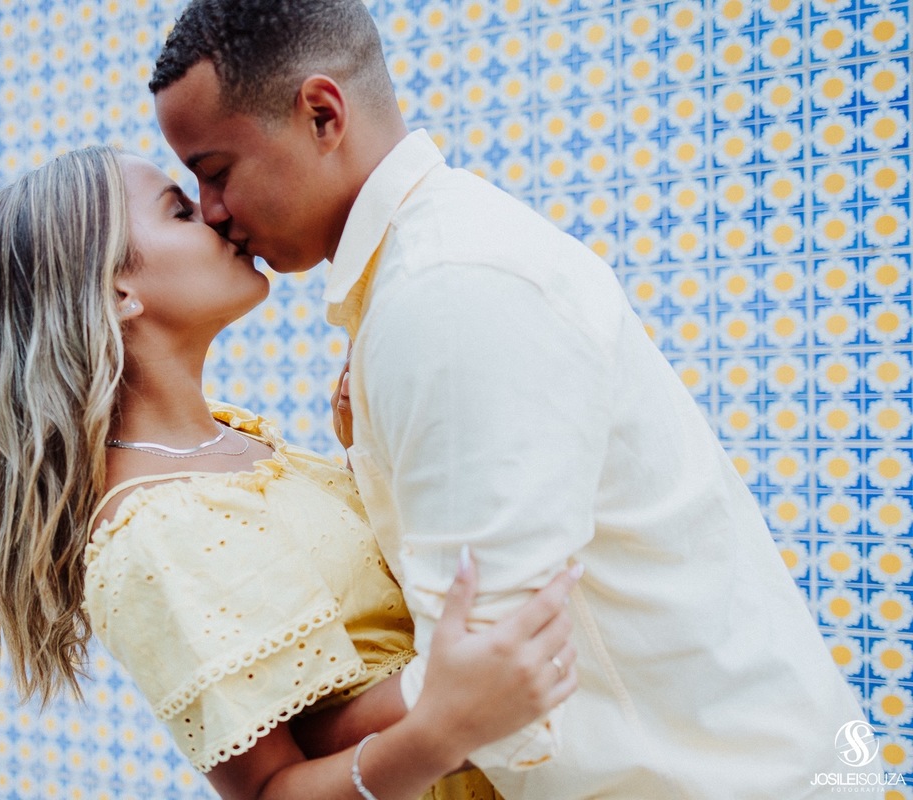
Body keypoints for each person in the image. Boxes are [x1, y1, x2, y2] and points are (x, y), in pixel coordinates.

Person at [149, 1, 881, 797]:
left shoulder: (447, 293)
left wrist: (296, 728)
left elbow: (495, 677)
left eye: (215, 172)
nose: (213, 212)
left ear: (323, 114)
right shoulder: (430, 273)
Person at [0, 144, 584, 800]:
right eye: (179, 211)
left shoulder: (232, 438)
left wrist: (367, 455)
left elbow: (339, 666)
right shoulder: (153, 530)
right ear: (119, 292)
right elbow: (270, 790)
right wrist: (441, 728)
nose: (217, 217)